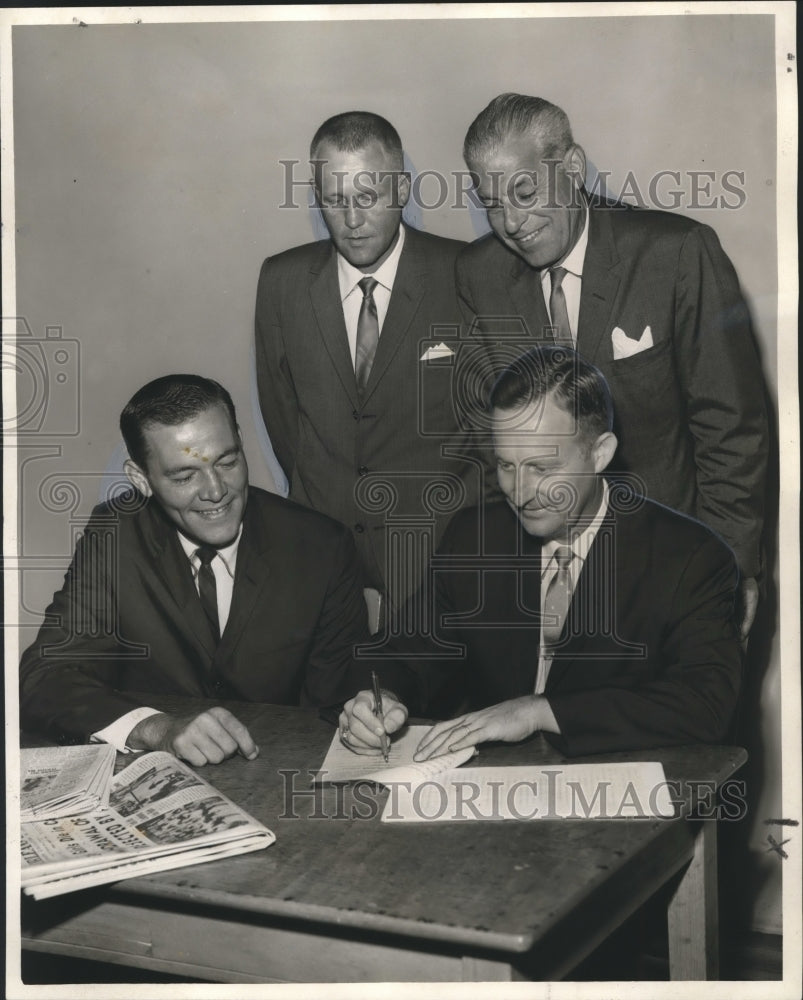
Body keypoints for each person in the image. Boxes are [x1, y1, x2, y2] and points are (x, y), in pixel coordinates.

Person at [455, 93, 768, 638]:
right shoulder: (478, 274)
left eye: (525, 192)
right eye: (491, 202)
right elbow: (489, 448)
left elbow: (731, 429)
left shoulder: (677, 254)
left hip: (670, 570)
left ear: (572, 168)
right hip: (545, 580)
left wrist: (730, 568)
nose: (510, 221)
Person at [340, 345, 743, 759]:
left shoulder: (690, 557)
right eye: (506, 466)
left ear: (600, 453)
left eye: (542, 468)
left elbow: (706, 706)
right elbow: (401, 651)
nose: (520, 493)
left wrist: (540, 712)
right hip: (495, 795)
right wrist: (378, 699)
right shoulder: (474, 538)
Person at [19, 375, 369, 766]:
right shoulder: (114, 536)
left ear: (238, 439)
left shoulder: (321, 546)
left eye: (228, 461)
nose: (216, 490)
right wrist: (158, 729)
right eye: (185, 476)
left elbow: (344, 701)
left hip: (282, 775)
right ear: (141, 479)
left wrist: (370, 710)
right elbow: (44, 676)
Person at [255, 111, 481, 614]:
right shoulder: (281, 282)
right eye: (335, 201)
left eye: (368, 198)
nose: (352, 221)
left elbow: (490, 427)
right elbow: (283, 419)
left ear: (401, 189)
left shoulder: (467, 272)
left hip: (440, 552)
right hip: (322, 551)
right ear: (316, 195)